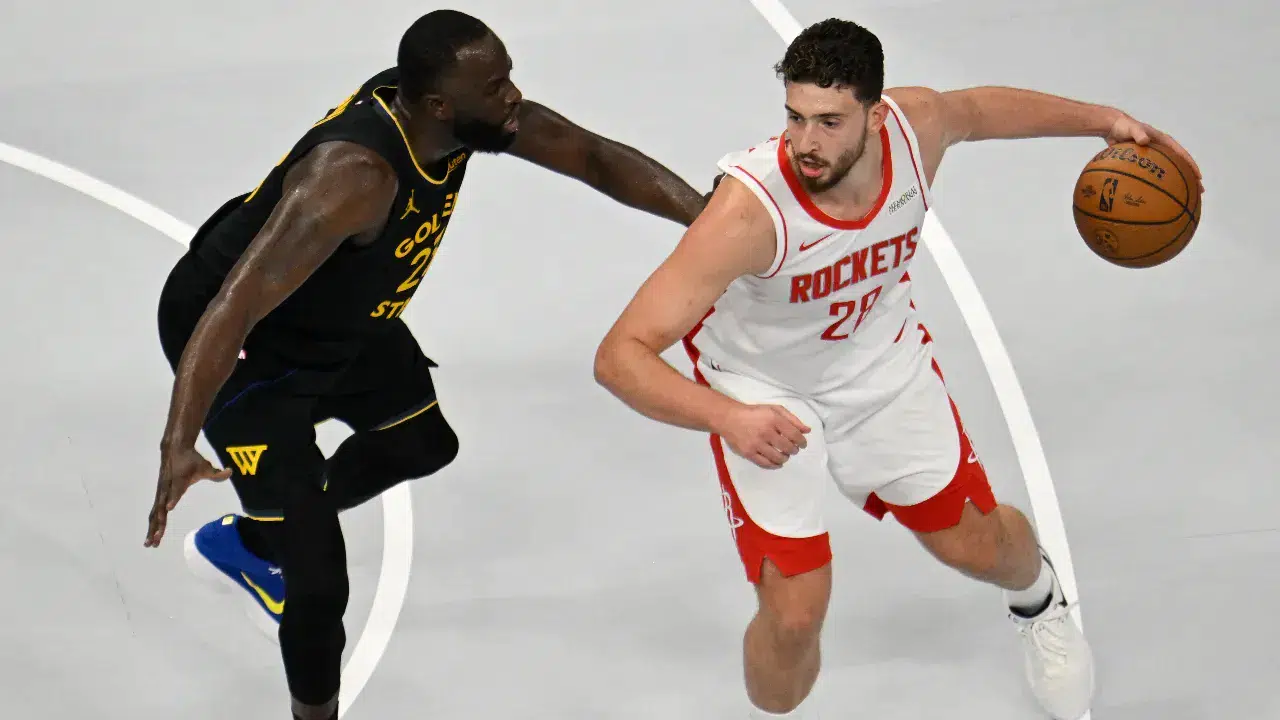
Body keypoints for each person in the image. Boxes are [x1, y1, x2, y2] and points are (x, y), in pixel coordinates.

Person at [593, 17, 1201, 720]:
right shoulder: (747, 215)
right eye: (795, 117)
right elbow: (620, 355)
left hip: (878, 363)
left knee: (976, 547)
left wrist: (1105, 121)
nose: (805, 142)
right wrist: (728, 416)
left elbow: (979, 111)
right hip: (763, 389)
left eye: (829, 122)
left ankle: (1040, 602)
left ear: (876, 117)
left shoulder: (915, 132)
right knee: (793, 620)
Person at [143, 9, 709, 720]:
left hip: (340, 320)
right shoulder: (353, 179)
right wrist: (178, 441)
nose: (515, 96)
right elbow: (233, 306)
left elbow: (591, 156)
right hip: (249, 354)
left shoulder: (453, 118)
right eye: (496, 86)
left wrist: (712, 221)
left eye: (508, 77)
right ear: (440, 104)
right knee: (320, 587)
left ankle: (256, 540)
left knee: (422, 442)